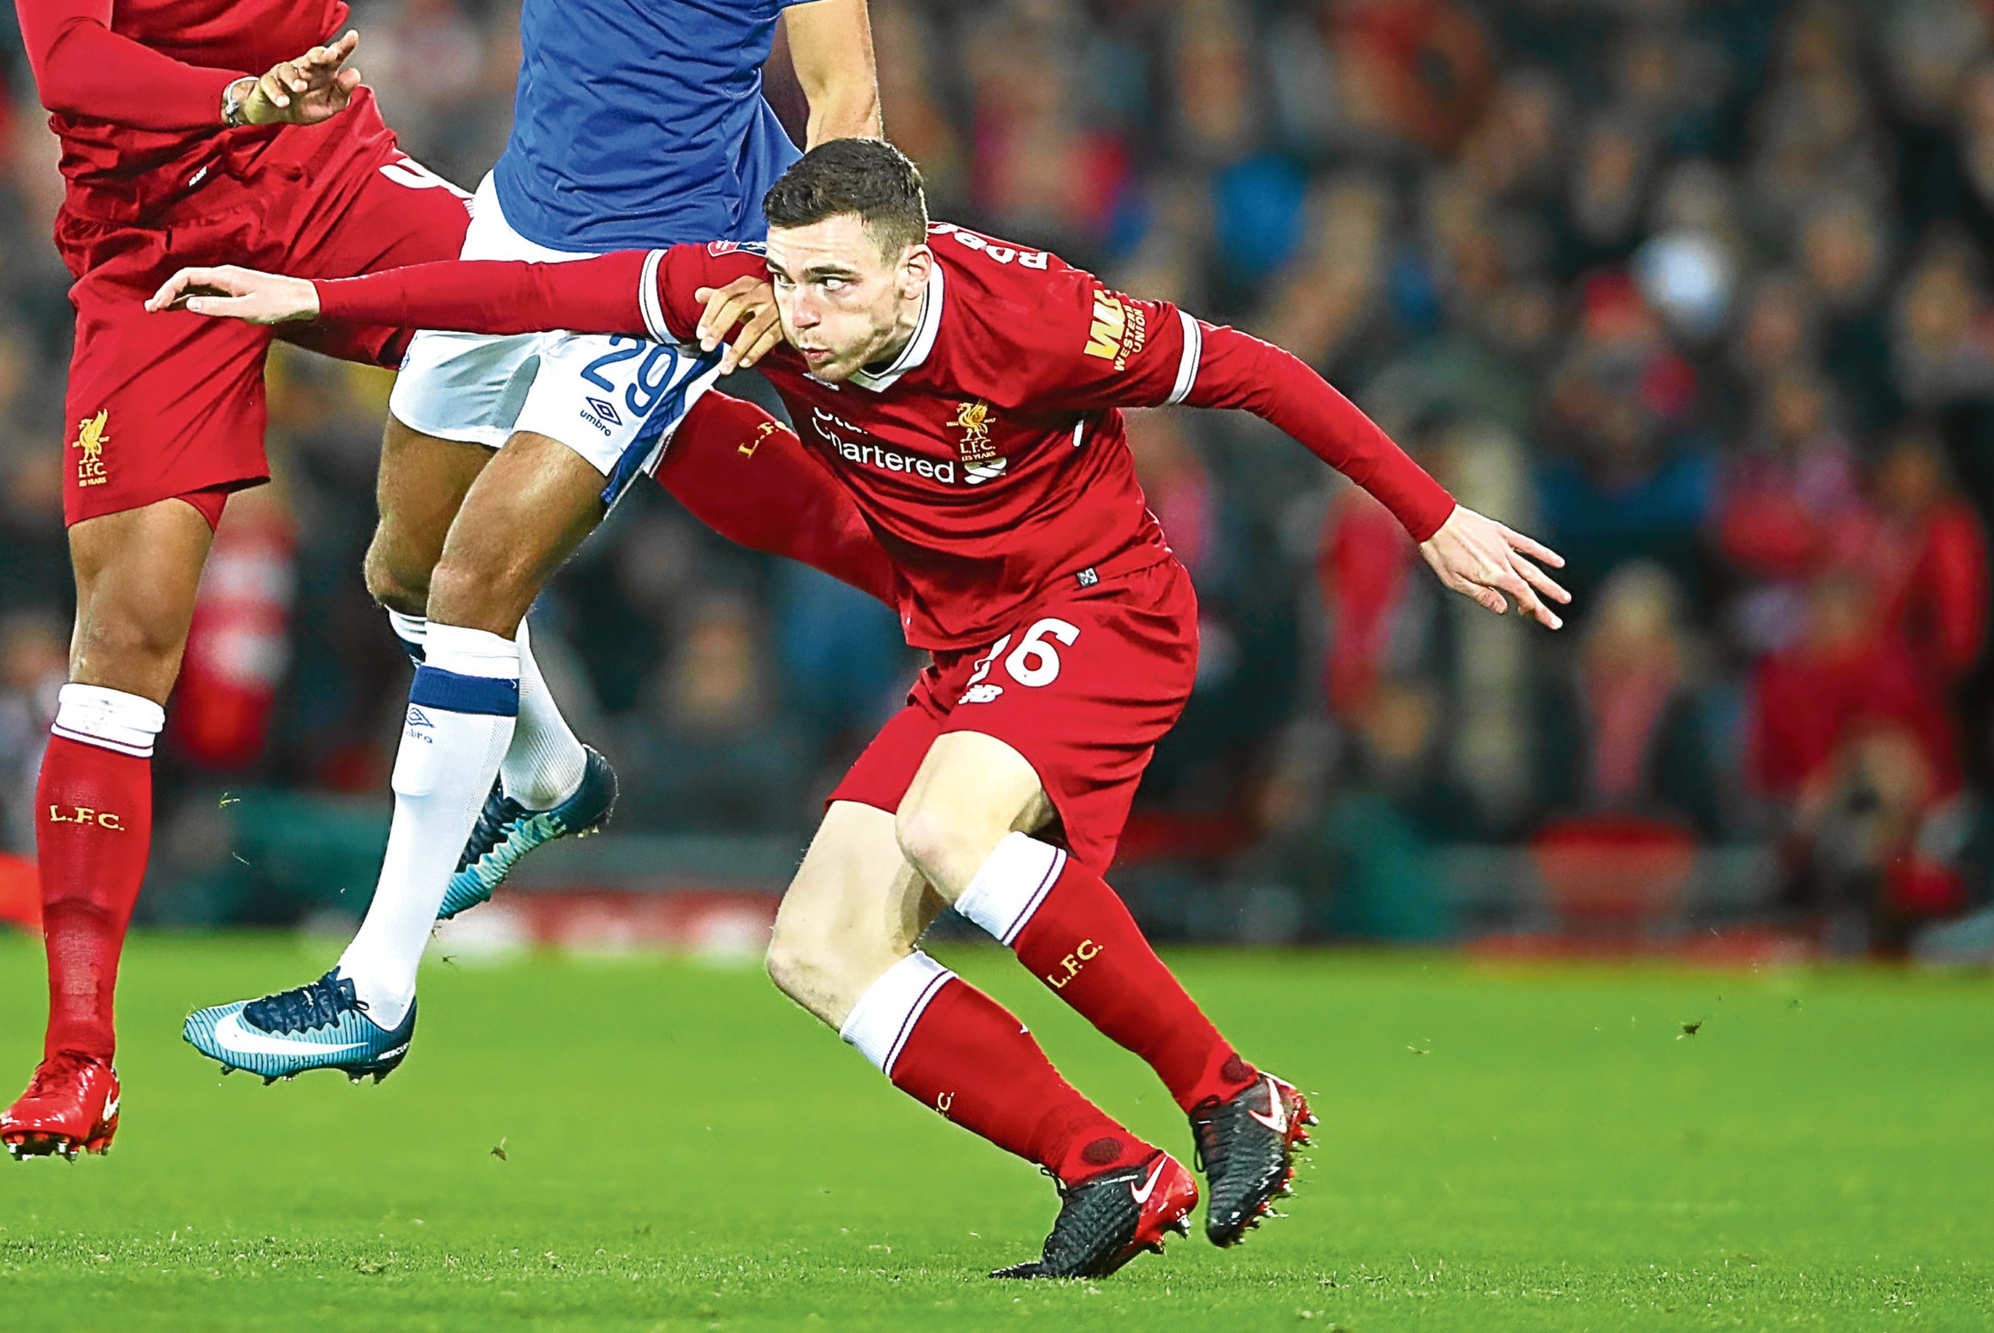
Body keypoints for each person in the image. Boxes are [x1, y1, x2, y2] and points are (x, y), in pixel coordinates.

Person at [157, 139, 1566, 1280]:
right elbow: (536, 298)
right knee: (818, 947)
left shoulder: (1041, 319)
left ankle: (1229, 1093)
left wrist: (1432, 519)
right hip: (970, 646)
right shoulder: (755, 301)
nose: (800, 311)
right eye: (787, 276)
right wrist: (316, 308)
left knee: (954, 831)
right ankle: (1106, 1170)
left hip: (1100, 609)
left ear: (913, 274)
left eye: (833, 284)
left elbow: (1255, 372)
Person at [0, 0, 889, 1158]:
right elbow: (68, 57)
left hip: (330, 178)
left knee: (585, 342)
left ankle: (906, 566)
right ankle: (77, 1057)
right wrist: (230, 104)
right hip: (157, 254)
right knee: (129, 635)